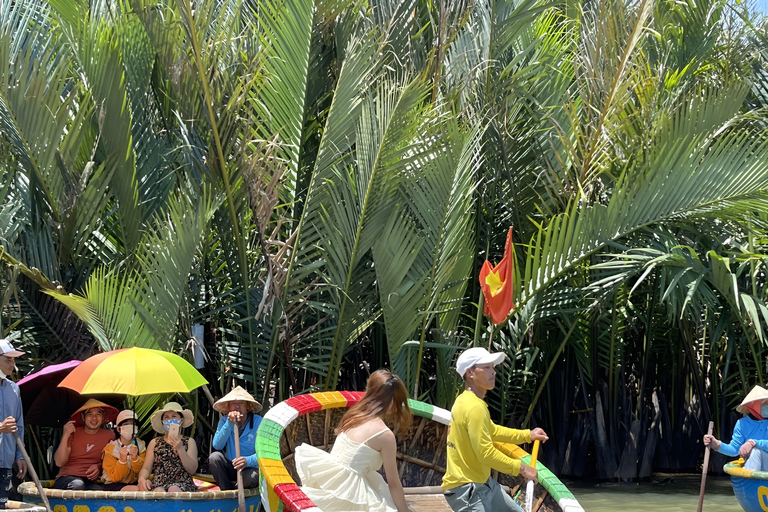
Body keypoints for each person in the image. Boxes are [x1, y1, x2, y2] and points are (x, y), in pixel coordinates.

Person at [442, 347, 549, 512]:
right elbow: (485, 453)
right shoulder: (474, 407)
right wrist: (523, 468)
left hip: (484, 484)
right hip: (469, 492)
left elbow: (493, 431)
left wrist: (528, 435)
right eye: (486, 367)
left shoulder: (466, 401)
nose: (493, 372)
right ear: (470, 372)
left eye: (492, 367)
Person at [294, 369, 412, 512]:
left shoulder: (355, 414)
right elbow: (393, 482)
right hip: (348, 495)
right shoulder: (385, 436)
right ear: (392, 401)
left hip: (332, 483)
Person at [53, 399, 117, 490]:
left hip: (89, 482)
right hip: (67, 478)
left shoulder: (109, 436)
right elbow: (59, 462)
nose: (94, 418)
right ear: (83, 417)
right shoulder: (73, 432)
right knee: (77, 484)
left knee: (100, 492)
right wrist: (65, 436)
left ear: (103, 417)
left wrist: (99, 466)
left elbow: (112, 462)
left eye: (98, 414)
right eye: (90, 414)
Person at [704, 384, 768, 470]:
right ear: (754, 404)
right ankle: (752, 480)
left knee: (755, 451)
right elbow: (734, 450)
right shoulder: (742, 424)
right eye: (765, 403)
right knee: (754, 453)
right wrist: (716, 444)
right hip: (752, 466)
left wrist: (753, 443)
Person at [137, 402, 198, 492]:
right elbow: (146, 467)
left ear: (181, 421)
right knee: (158, 491)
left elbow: (192, 469)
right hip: (159, 484)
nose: (170, 419)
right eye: (166, 417)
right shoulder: (154, 442)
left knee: (173, 489)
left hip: (182, 483)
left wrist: (180, 449)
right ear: (162, 422)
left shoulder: (189, 441)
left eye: (174, 416)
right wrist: (141, 478)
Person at [210, 386, 262, 490]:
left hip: (249, 467)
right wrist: (229, 424)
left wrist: (247, 460)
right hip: (231, 465)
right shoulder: (224, 421)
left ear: (248, 407)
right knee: (214, 458)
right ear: (228, 407)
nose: (237, 406)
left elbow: (265, 453)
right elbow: (217, 445)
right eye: (233, 404)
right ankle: (227, 491)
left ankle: (239, 489)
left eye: (241, 403)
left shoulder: (258, 422)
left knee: (252, 477)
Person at [0, 339, 26, 508]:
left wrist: (20, 455)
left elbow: (19, 425)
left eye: (14, 359)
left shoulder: (14, 389)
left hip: (5, 461)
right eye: (7, 359)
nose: (12, 364)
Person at [101, 410, 146, 491]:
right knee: (138, 490)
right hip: (113, 485)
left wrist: (136, 459)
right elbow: (115, 477)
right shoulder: (110, 449)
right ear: (118, 429)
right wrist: (122, 461)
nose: (130, 426)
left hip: (134, 483)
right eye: (126, 424)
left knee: (147, 486)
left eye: (133, 424)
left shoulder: (141, 446)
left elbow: (141, 471)